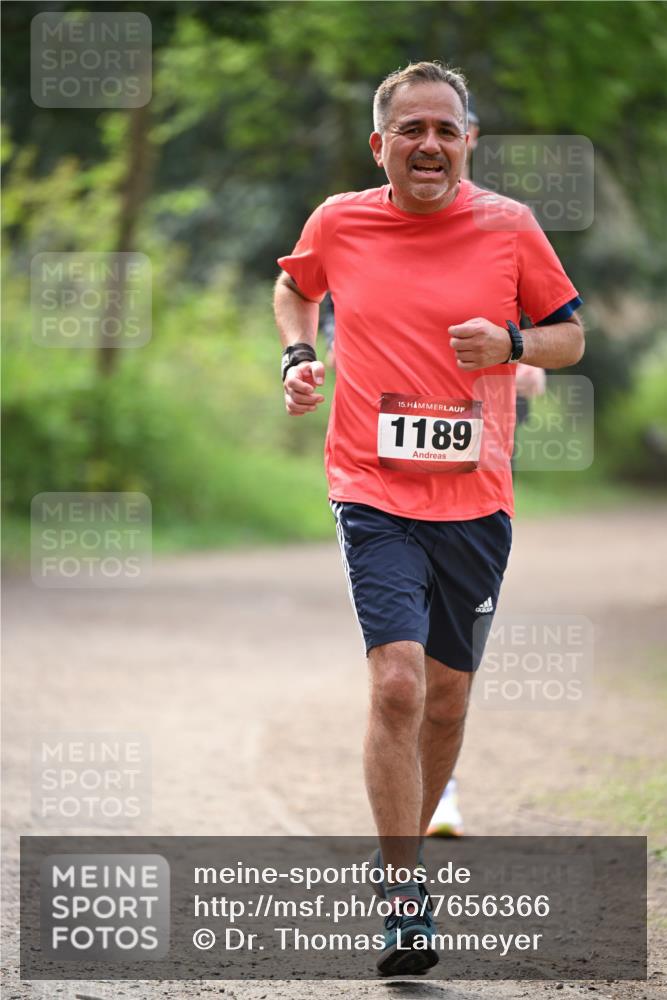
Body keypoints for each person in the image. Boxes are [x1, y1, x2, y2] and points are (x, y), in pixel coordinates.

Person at [274, 61, 583, 977]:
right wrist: (297, 354)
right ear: (381, 146)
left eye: (446, 129)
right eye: (410, 129)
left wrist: (514, 343)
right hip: (371, 487)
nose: (429, 144)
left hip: (476, 500)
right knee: (399, 686)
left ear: (468, 143)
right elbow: (297, 286)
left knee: (445, 696)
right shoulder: (340, 220)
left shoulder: (509, 228)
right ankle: (403, 898)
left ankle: (415, 824)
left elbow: (568, 334)